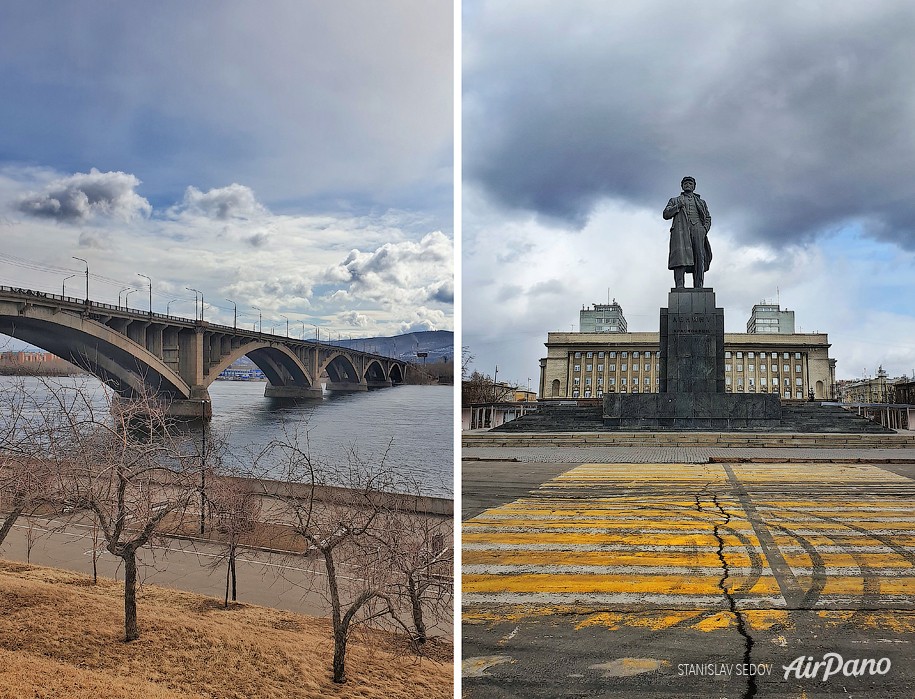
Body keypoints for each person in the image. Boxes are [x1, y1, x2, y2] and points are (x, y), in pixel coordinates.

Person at [663, 176, 712, 288]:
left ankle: (699, 286)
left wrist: (704, 229)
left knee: (699, 257)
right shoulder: (675, 200)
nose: (688, 185)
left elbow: (708, 217)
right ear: (682, 186)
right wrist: (677, 206)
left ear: (694, 186)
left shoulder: (701, 202)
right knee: (680, 258)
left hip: (698, 229)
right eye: (685, 183)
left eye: (690, 183)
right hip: (681, 230)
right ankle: (679, 286)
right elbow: (665, 214)